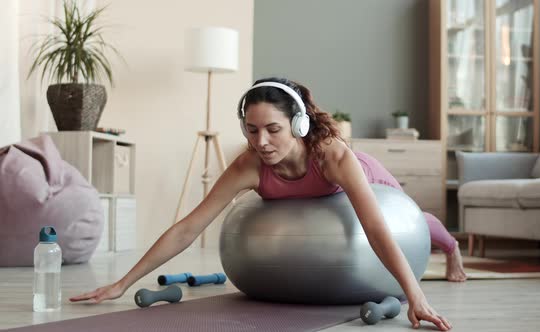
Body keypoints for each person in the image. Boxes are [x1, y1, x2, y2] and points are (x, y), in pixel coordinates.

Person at [71, 77, 464, 331]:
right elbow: (190, 226)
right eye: (252, 130)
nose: (261, 142)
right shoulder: (249, 165)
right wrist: (122, 283)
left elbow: (377, 229)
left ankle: (452, 247)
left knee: (415, 221)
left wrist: (416, 296)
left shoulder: (333, 156)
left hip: (365, 182)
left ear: (298, 125)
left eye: (273, 130)